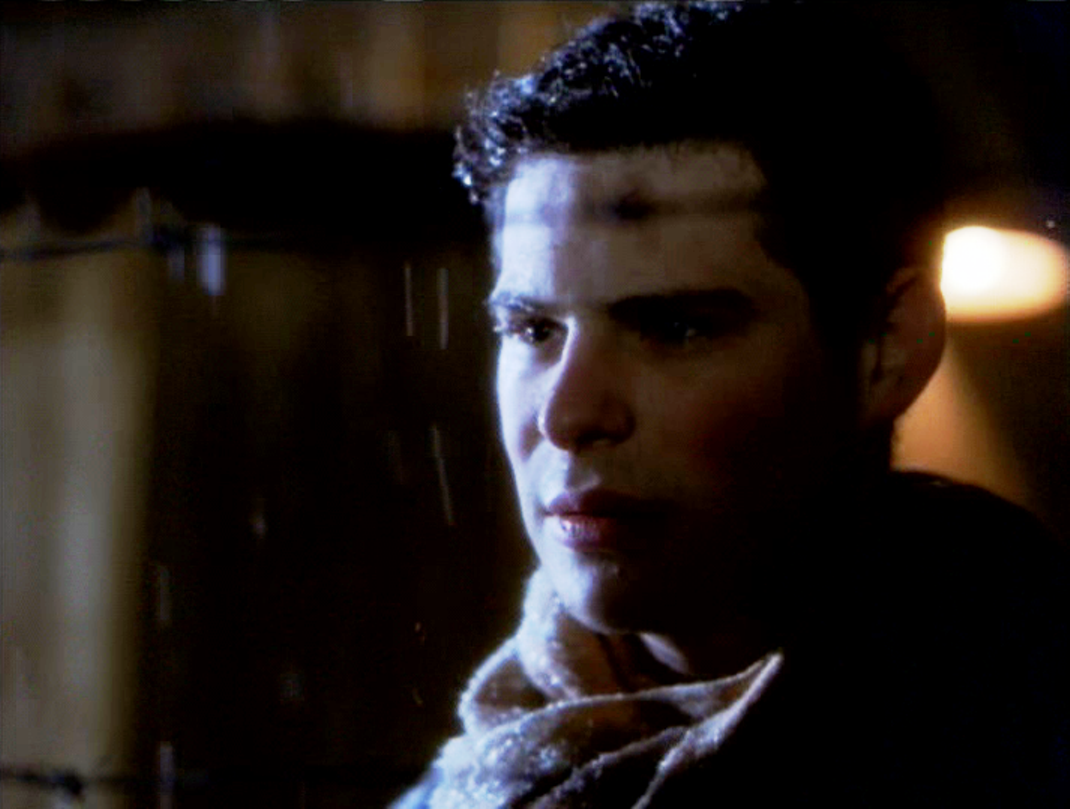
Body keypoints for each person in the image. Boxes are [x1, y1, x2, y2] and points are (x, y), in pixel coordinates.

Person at [393, 2, 1069, 806]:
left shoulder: (1023, 736)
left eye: (673, 327)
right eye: (534, 329)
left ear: (888, 348)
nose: (567, 415)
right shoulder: (473, 779)